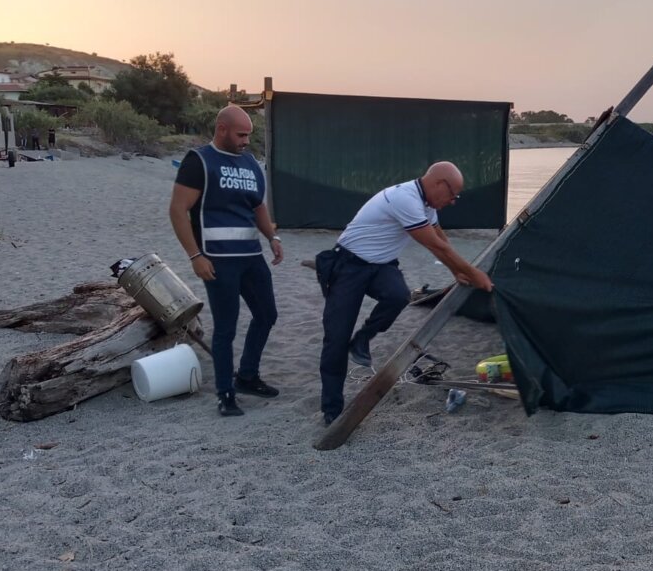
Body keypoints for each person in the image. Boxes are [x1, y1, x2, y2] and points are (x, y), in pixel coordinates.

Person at [319, 162, 494, 424]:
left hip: (381, 266)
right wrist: (475, 273)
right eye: (453, 195)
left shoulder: (427, 204)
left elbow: (440, 239)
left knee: (398, 296)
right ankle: (332, 410)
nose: (454, 201)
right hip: (348, 266)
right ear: (438, 184)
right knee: (336, 337)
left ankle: (362, 339)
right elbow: (433, 244)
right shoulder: (405, 198)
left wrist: (457, 272)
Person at [168, 105, 282, 416]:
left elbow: (258, 206)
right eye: (241, 134)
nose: (246, 140)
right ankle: (225, 393)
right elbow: (178, 210)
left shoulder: (249, 163)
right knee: (226, 328)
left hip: (251, 257)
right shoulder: (199, 161)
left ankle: (247, 376)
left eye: (249, 135)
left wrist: (272, 236)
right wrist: (195, 256)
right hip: (217, 260)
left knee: (267, 314)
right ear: (222, 129)